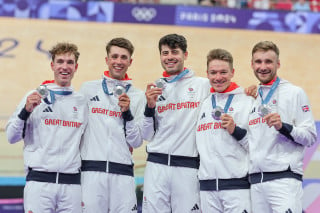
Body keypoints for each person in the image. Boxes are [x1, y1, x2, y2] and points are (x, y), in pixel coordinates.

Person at [6, 42, 88, 212]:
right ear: (52, 65)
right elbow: (11, 137)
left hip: (71, 186)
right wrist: (25, 111)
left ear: (76, 67)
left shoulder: (82, 102)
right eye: (60, 61)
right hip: (39, 185)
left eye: (69, 62)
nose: (64, 67)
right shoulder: (33, 96)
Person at [141, 33, 210, 212]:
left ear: (185, 55)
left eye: (174, 52)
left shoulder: (203, 85)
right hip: (156, 165)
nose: (169, 57)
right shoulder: (154, 89)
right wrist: (149, 107)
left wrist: (250, 92)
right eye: (165, 53)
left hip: (187, 166)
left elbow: (226, 92)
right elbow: (147, 135)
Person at [248, 41, 317, 212]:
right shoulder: (251, 98)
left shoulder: (295, 93)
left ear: (278, 64)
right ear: (252, 64)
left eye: (268, 62)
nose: (263, 67)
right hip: (256, 183)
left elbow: (310, 137)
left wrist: (283, 127)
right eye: (258, 62)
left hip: (284, 180)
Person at [79, 37, 145, 213]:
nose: (118, 61)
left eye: (123, 57)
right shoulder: (87, 89)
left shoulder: (138, 96)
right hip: (91, 172)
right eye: (114, 56)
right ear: (107, 59)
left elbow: (137, 141)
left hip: (122, 173)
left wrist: (127, 113)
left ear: (130, 62)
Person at [196, 49, 253, 212]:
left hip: (237, 187)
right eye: (213, 72)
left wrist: (235, 130)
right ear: (207, 74)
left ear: (232, 72)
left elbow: (256, 146)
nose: (218, 77)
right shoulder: (204, 103)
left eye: (223, 72)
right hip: (207, 188)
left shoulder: (247, 101)